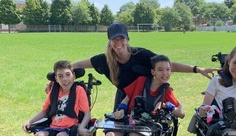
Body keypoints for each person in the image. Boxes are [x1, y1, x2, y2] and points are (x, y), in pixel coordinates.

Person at [46, 22, 219, 110]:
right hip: (124, 97)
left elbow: (168, 66)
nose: (118, 42)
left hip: (147, 96)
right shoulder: (104, 60)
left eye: (121, 38)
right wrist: (56, 79)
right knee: (118, 130)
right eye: (114, 39)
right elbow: (72, 66)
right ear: (110, 40)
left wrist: (197, 69)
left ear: (128, 39)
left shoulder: (141, 55)